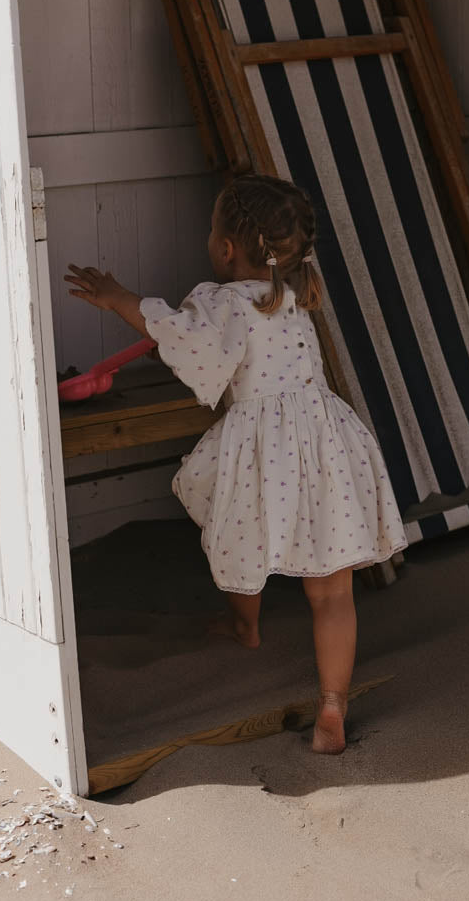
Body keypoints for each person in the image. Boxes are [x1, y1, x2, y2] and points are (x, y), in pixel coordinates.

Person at [64, 173, 406, 754]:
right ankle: (332, 707)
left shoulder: (221, 302)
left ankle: (246, 627)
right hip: (324, 439)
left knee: (241, 533)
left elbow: (180, 337)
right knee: (333, 594)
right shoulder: (293, 293)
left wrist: (117, 296)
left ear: (225, 249)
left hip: (266, 445)